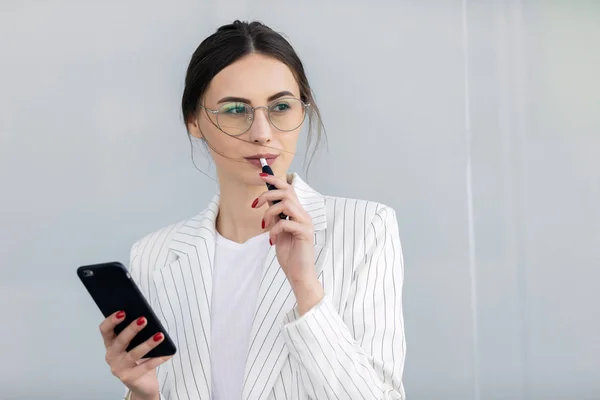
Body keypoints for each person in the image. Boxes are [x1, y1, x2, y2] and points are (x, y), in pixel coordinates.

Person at [97, 20, 406, 400]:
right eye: (234, 110)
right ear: (194, 121)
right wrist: (143, 394)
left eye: (280, 107)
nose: (262, 132)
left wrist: (305, 287)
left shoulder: (364, 229)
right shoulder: (155, 255)